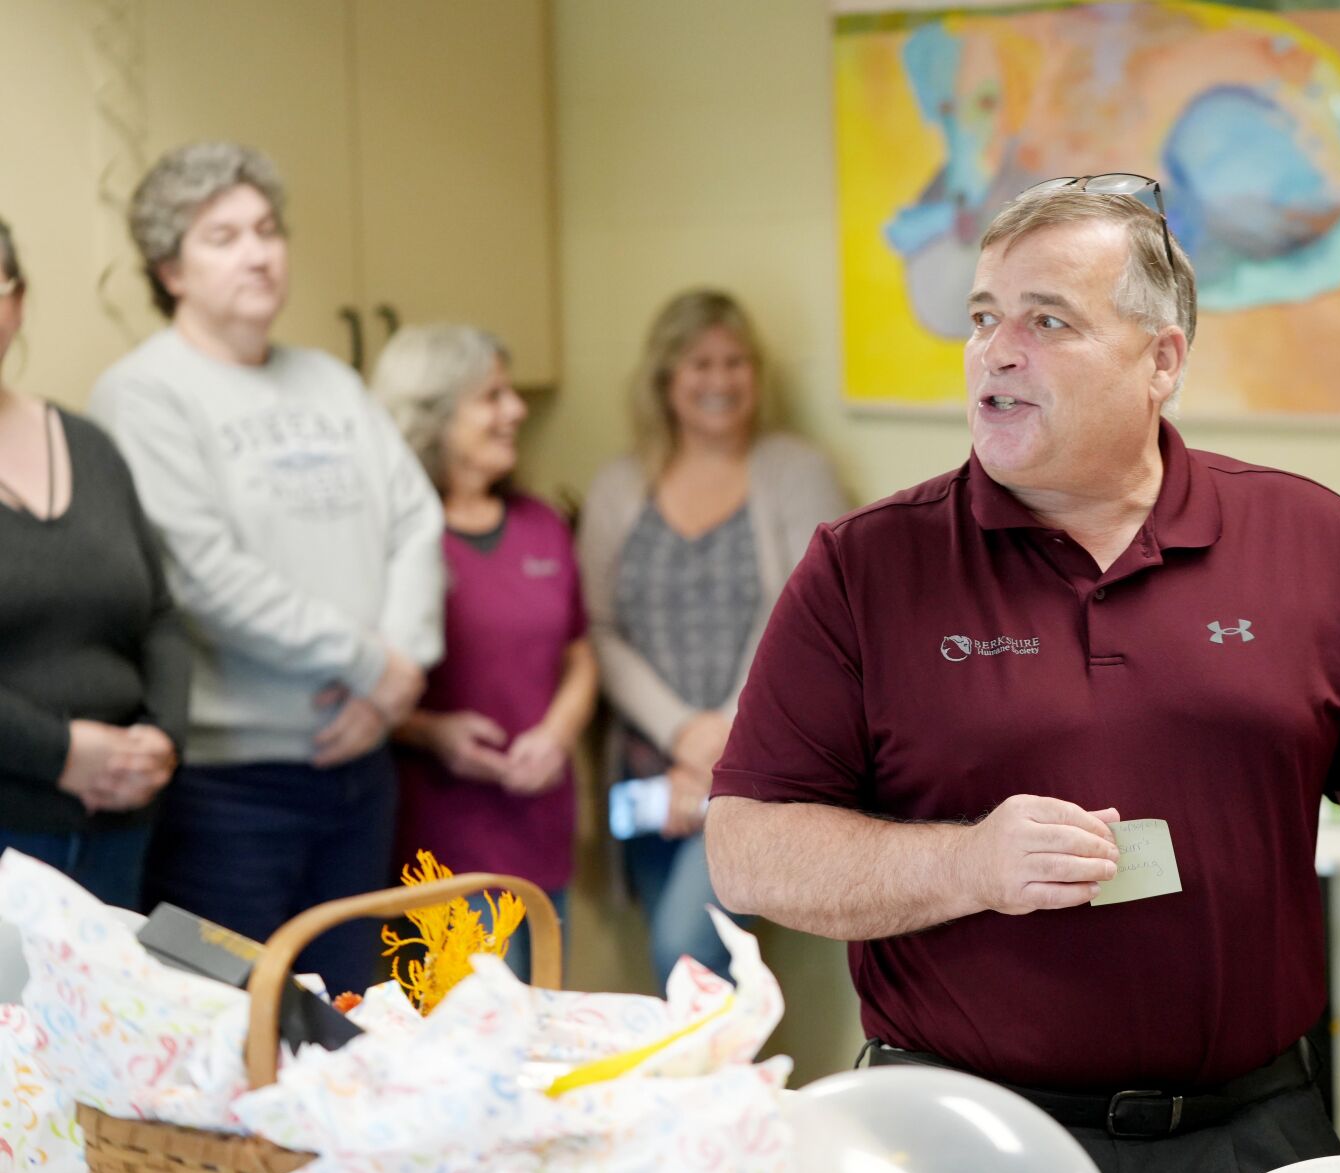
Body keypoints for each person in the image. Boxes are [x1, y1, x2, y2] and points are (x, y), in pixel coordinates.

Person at [703, 177, 1340, 1173]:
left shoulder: (1306, 535)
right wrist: (969, 864)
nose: (994, 353)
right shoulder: (866, 564)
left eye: (1046, 321)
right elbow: (746, 850)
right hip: (963, 1125)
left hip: (1251, 1127)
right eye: (983, 316)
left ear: (1160, 359)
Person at [88, 143, 444, 995]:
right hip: (229, 793)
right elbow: (205, 576)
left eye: (267, 229)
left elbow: (417, 520)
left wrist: (397, 678)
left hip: (361, 771)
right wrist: (371, 663)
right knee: (232, 1041)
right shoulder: (143, 395)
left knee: (350, 1026)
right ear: (169, 266)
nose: (257, 251)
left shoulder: (327, 377)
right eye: (223, 236)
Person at [579, 289, 846, 987]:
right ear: (665, 378)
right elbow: (600, 627)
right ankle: (717, 1096)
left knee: (686, 955)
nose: (720, 381)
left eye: (736, 363)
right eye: (700, 363)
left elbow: (809, 619)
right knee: (688, 974)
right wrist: (680, 735)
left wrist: (724, 737)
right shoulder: (618, 485)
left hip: (758, 767)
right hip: (650, 771)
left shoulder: (795, 470)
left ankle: (731, 1094)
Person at [372, 324, 596, 981]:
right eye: (492, 396)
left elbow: (581, 655)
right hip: (440, 844)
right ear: (434, 418)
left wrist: (556, 735)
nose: (516, 410)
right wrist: (430, 731)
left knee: (538, 1035)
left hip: (540, 827)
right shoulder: (398, 539)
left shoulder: (540, 524)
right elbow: (364, 682)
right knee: (465, 1053)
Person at [0, 217, 189, 910]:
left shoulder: (90, 446)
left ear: (17, 301)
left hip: (123, 826)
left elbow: (162, 617)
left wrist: (160, 738)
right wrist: (61, 754)